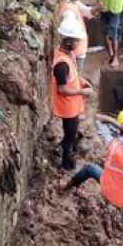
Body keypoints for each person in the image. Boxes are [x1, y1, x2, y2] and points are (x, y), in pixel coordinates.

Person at [60, 110, 123, 246]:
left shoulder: (111, 144)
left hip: (108, 189)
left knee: (89, 169)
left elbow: (98, 118)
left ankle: (65, 188)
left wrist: (118, 125)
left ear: (121, 128)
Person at [51, 17, 93, 170]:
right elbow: (61, 89)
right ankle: (67, 164)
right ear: (68, 41)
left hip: (72, 105)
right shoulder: (61, 64)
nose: (78, 44)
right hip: (67, 107)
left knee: (72, 130)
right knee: (70, 134)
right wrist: (81, 91)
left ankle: (69, 145)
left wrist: (82, 80)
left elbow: (72, 75)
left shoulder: (68, 54)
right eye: (76, 41)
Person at [56, 0, 93, 74]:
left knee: (75, 73)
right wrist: (73, 47)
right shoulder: (69, 11)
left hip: (77, 48)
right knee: (75, 73)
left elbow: (86, 11)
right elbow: (69, 33)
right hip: (77, 50)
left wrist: (96, 9)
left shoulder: (74, 3)